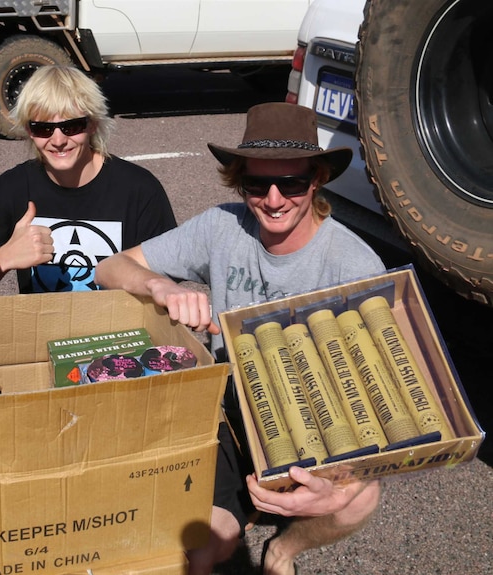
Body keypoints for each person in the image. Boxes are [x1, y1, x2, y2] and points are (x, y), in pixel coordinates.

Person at [94, 102, 385, 575]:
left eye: (290, 183)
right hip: (229, 409)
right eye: (256, 183)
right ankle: (239, 513)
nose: (272, 200)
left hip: (311, 420)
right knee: (202, 549)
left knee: (358, 499)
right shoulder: (222, 226)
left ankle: (282, 551)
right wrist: (162, 286)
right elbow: (109, 266)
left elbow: (375, 401)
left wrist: (338, 481)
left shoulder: (354, 267)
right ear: (239, 180)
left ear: (316, 181)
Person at [0, 65, 176, 296]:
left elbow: (166, 287)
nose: (58, 140)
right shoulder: (12, 188)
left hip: (121, 330)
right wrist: (4, 258)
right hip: (40, 329)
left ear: (93, 124)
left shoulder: (140, 190)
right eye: (43, 128)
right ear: (29, 131)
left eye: (71, 126)